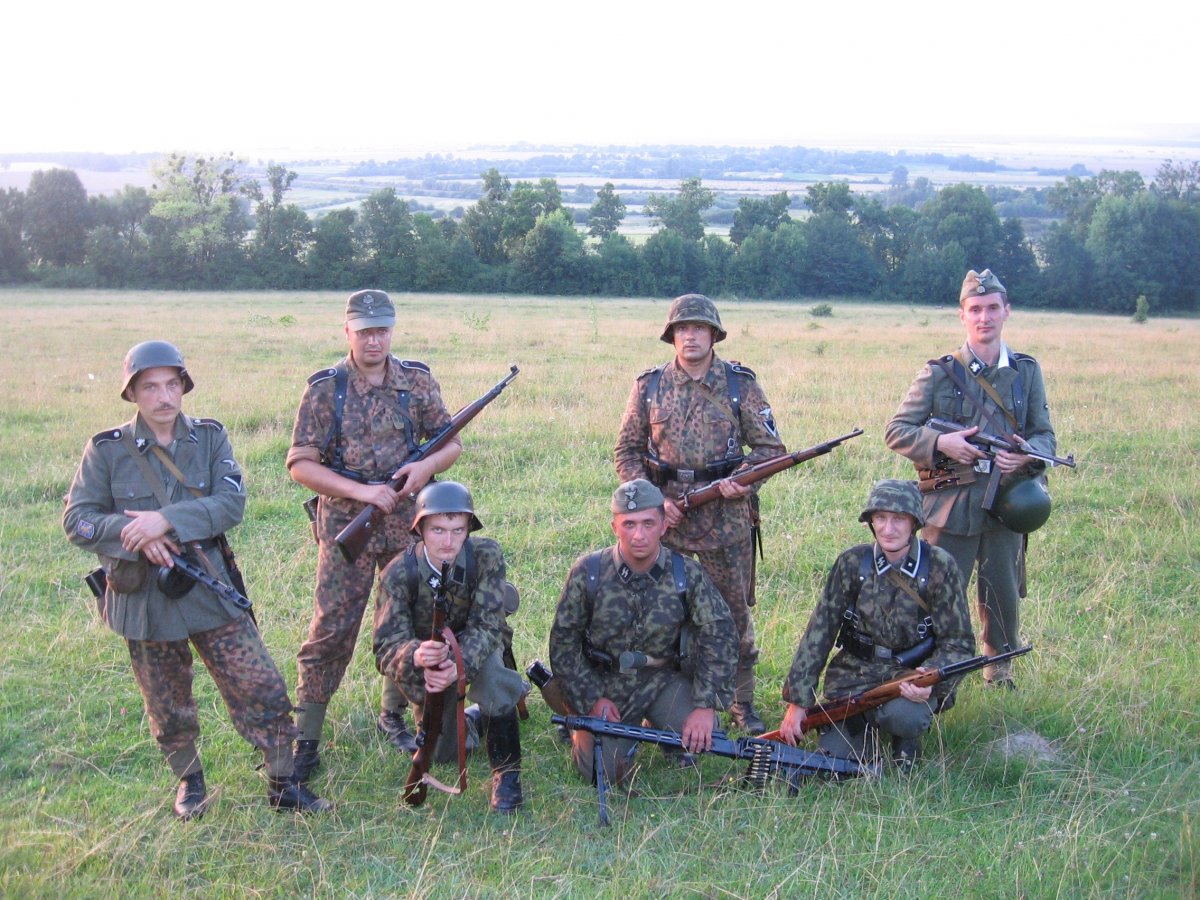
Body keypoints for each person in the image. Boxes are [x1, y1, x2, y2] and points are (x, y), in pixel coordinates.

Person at [63, 341, 329, 819]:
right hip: (144, 599)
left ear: (183, 386)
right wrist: (134, 535)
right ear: (132, 393)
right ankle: (190, 782)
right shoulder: (106, 450)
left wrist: (164, 521)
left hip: (207, 584)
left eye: (172, 384)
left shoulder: (209, 438)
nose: (164, 396)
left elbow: (231, 504)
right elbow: (78, 520)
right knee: (167, 703)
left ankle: (282, 782)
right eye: (150, 387)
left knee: (261, 686)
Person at [286, 289, 462, 780]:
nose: (374, 341)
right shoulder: (327, 389)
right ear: (348, 332)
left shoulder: (416, 381)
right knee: (332, 630)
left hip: (408, 524)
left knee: (413, 618)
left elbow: (451, 444)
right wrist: (363, 492)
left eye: (382, 330)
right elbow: (300, 463)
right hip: (349, 528)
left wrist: (423, 469)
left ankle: (395, 716)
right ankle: (305, 738)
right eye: (364, 332)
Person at [614, 293, 786, 733]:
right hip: (665, 525)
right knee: (659, 615)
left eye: (698, 328)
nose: (690, 336)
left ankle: (741, 702)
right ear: (671, 336)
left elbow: (770, 450)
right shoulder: (649, 386)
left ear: (713, 334)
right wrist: (653, 501)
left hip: (725, 522)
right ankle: (662, 701)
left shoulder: (739, 385)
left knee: (732, 616)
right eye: (682, 329)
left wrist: (741, 481)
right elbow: (627, 452)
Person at [885, 268, 1057, 687]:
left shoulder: (1026, 371)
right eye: (975, 309)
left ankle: (1000, 668)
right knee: (939, 594)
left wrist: (1027, 457)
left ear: (1006, 311)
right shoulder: (940, 372)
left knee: (1002, 593)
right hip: (952, 505)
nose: (985, 317)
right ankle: (931, 674)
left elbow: (1045, 436)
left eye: (992, 308)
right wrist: (942, 444)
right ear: (962, 315)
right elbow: (897, 430)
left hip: (1007, 504)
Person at [549, 478, 738, 785]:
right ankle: (576, 726)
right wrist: (591, 698)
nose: (639, 535)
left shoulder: (686, 573)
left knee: (707, 740)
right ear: (615, 527)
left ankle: (662, 726)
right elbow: (563, 642)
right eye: (629, 524)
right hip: (605, 684)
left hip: (663, 679)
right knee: (601, 773)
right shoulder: (588, 572)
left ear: (663, 526)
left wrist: (705, 705)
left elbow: (720, 636)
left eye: (648, 523)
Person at [778, 480, 975, 769]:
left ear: (914, 523)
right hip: (853, 676)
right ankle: (864, 729)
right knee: (835, 764)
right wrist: (798, 701)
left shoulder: (939, 566)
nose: (888, 528)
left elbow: (959, 643)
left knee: (906, 717)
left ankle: (903, 738)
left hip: (907, 677)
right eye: (880, 518)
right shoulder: (852, 563)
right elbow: (819, 632)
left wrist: (930, 681)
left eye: (898, 519)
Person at [373, 481, 528, 812]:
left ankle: (507, 774)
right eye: (438, 530)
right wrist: (416, 655)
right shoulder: (397, 574)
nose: (448, 541)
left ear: (468, 528)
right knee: (446, 754)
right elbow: (385, 645)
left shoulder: (485, 556)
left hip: (475, 646)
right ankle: (477, 718)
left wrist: (457, 666)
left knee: (494, 677)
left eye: (458, 530)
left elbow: (489, 625)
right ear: (420, 530)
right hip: (427, 659)